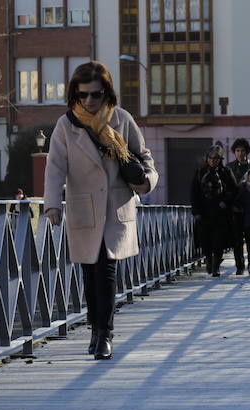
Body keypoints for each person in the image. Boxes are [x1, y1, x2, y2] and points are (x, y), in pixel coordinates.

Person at [43, 61, 157, 360]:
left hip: (116, 206)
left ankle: (105, 334)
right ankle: (95, 329)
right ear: (74, 96)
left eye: (96, 94)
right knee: (90, 273)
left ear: (106, 92)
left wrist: (145, 181)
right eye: (83, 95)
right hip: (84, 208)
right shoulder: (65, 125)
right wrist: (52, 205)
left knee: (106, 269)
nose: (90, 101)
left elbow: (144, 158)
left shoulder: (121, 120)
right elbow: (55, 168)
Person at [190, 144, 237, 277]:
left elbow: (234, 190)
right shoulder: (200, 172)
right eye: (211, 158)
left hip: (221, 212)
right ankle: (209, 260)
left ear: (220, 159)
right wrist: (197, 211)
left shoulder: (226, 172)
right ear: (207, 158)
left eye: (216, 158)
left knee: (219, 240)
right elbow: (194, 193)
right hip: (204, 211)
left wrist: (226, 202)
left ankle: (216, 265)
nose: (213, 161)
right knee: (205, 240)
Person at [227, 138, 250, 275]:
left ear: (247, 152)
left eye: (243, 150)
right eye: (237, 150)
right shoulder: (229, 167)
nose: (240, 153)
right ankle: (239, 265)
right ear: (234, 152)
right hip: (235, 209)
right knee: (237, 239)